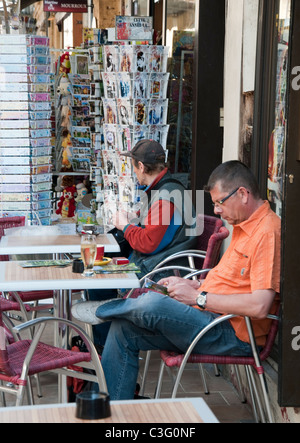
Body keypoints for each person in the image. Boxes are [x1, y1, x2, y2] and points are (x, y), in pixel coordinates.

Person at [73, 160, 281, 400]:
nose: (216, 211)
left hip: (232, 333)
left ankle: (109, 309)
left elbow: (259, 306)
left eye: (219, 203)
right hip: (210, 317)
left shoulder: (266, 232)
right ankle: (113, 408)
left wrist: (199, 297)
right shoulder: (244, 225)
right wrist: (194, 285)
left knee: (152, 302)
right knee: (123, 329)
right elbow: (233, 283)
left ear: (243, 194)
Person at [84, 139, 197, 346]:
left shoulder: (165, 197)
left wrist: (125, 226)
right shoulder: (167, 189)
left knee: (97, 281)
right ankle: (104, 345)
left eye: (134, 167)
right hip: (160, 262)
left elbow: (147, 243)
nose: (134, 172)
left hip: (159, 271)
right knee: (99, 271)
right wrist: (134, 221)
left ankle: (103, 349)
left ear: (142, 167)